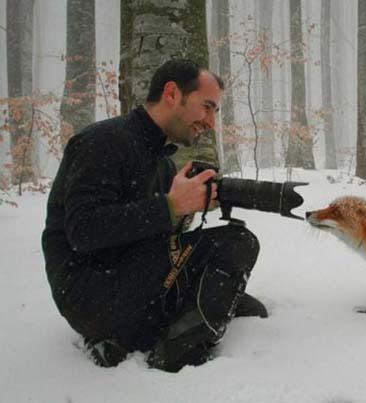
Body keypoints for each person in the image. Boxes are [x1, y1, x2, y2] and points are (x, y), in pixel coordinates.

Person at [42, 59, 267, 372]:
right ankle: (175, 354)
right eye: (207, 107)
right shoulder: (102, 141)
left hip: (127, 277)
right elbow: (83, 231)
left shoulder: (162, 163)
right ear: (172, 93)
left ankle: (172, 315)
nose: (211, 122)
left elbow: (151, 237)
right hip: (91, 294)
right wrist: (171, 206)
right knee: (237, 243)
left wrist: (189, 206)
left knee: (224, 260)